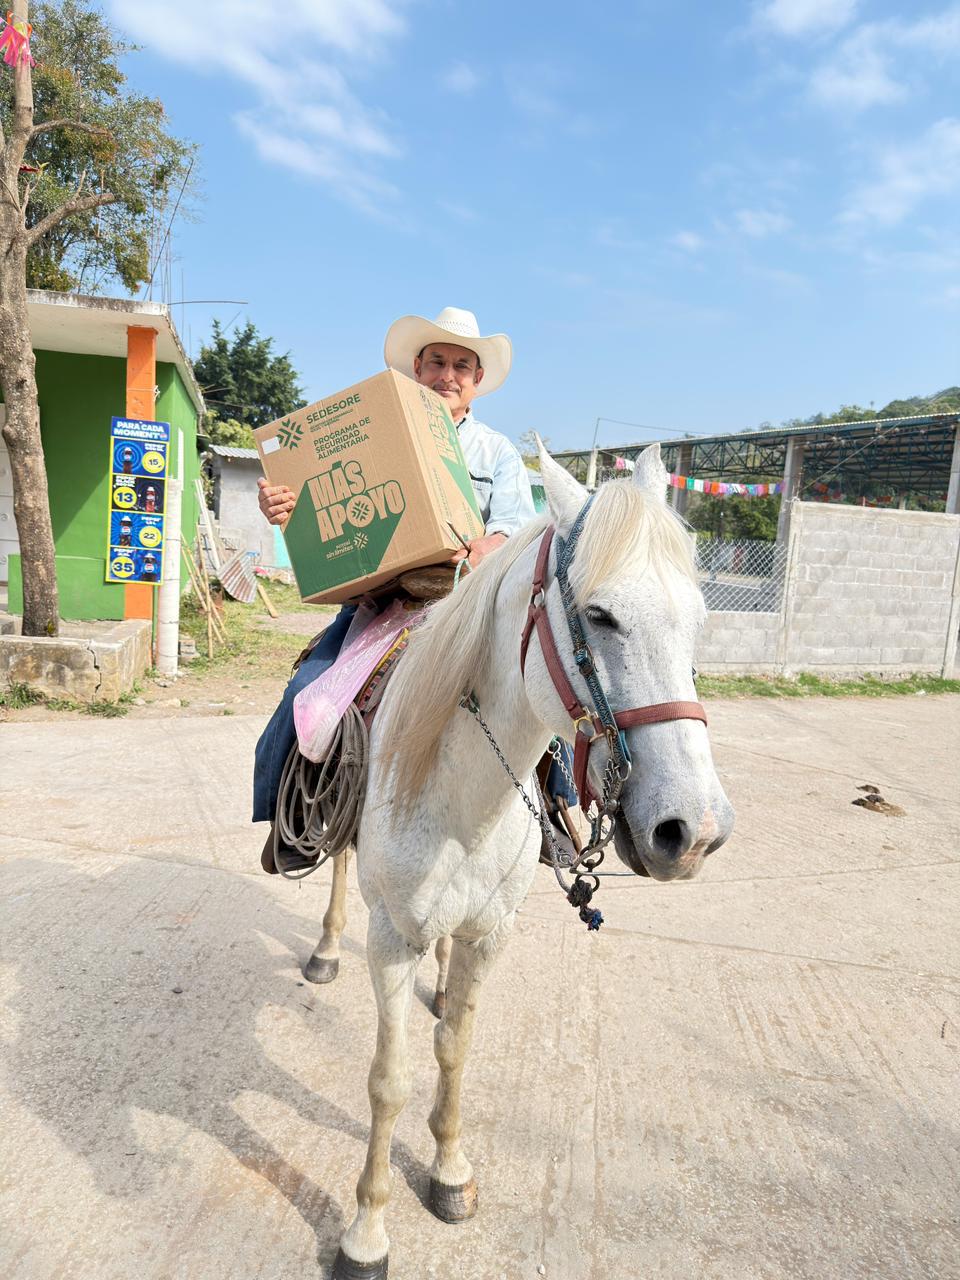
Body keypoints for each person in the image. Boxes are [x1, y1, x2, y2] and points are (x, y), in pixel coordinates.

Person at [254, 307, 561, 841]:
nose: (448, 375)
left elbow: (513, 528)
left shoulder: (498, 453)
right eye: (437, 362)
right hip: (380, 603)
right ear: (416, 370)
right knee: (305, 689)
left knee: (548, 696)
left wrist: (492, 543)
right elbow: (327, 515)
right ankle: (292, 819)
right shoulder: (371, 432)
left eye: (461, 366)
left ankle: (555, 817)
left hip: (464, 607)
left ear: (477, 381)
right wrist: (286, 509)